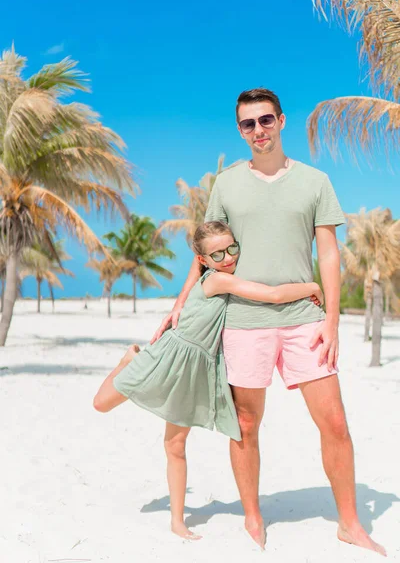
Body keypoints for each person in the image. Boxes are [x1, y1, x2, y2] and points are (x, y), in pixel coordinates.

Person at [151, 88, 386, 555]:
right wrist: (180, 303)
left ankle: (349, 523)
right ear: (240, 130)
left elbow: (329, 252)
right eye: (247, 124)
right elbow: (208, 253)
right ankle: (253, 518)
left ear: (281, 121)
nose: (257, 131)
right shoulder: (227, 184)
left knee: (335, 423)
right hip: (243, 320)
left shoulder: (316, 181)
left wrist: (333, 319)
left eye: (264, 120)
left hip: (305, 318)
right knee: (245, 422)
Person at [94, 220, 324, 542]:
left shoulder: (225, 276)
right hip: (170, 355)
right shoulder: (217, 281)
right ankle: (128, 360)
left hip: (194, 368)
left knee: (174, 444)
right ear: (202, 261)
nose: (228, 258)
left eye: (232, 249)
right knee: (101, 404)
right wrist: (312, 287)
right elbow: (272, 294)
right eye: (217, 255)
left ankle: (177, 520)